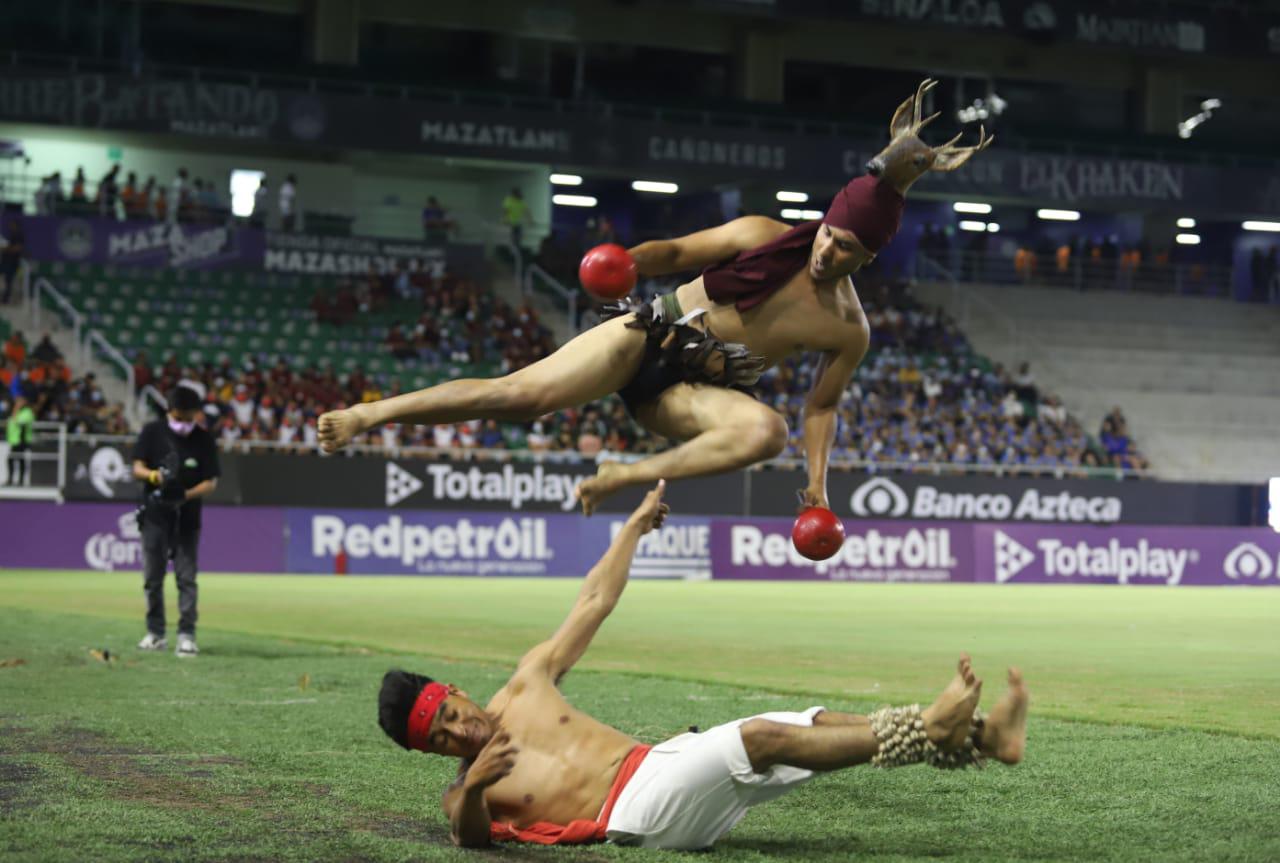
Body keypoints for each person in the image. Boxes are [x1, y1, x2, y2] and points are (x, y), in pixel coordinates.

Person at [319, 80, 991, 514]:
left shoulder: (849, 329)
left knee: (767, 429)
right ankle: (368, 417)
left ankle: (624, 474)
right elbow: (675, 254)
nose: (828, 250)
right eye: (830, 233)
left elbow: (823, 407)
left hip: (685, 393)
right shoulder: (765, 233)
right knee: (520, 395)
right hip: (648, 334)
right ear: (824, 219)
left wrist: (818, 484)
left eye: (847, 249)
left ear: (868, 258)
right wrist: (625, 262)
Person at [376, 481, 1029, 850]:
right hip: (634, 813)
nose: (456, 735)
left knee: (802, 719)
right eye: (439, 741)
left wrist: (631, 527)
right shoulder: (465, 790)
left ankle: (978, 741)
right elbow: (470, 838)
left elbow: (593, 601)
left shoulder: (526, 683)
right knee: (760, 738)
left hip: (658, 765)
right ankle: (929, 724)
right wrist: (475, 787)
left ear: (455, 691)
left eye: (451, 716)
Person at [130, 383, 220, 658]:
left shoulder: (203, 439)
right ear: (170, 411)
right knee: (152, 578)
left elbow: (212, 482)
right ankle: (155, 633)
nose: (184, 423)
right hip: (155, 516)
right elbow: (136, 467)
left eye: (190, 418)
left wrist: (185, 494)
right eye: (180, 418)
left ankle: (186, 635)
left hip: (188, 519)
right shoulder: (152, 432)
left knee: (187, 578)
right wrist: (154, 477)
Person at [4, 395, 35, 486]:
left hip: (22, 440)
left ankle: (20, 481)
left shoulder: (27, 412)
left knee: (18, 459)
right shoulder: (17, 411)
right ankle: (11, 479)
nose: (18, 403)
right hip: (14, 440)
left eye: (20, 401)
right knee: (13, 459)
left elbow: (18, 422)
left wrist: (15, 409)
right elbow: (10, 423)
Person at [0, 218, 23, 304]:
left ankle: (5, 299)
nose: (10, 226)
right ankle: (4, 298)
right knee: (6, 280)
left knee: (9, 280)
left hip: (12, 263)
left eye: (12, 224)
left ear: (16, 225)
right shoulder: (12, 234)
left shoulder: (19, 235)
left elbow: (18, 248)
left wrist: (5, 249)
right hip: (6, 262)